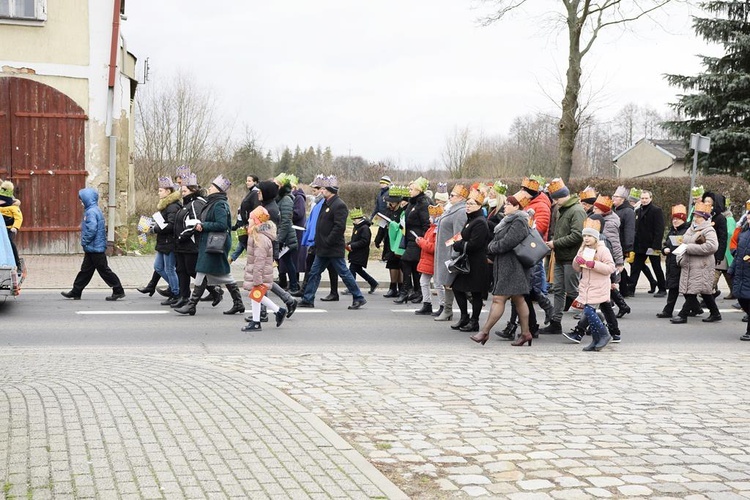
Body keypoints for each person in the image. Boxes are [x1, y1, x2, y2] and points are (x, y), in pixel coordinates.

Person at [469, 193, 534, 346]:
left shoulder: (519, 221)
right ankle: (525, 333)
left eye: (508, 204)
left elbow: (508, 242)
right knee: (519, 299)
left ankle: (484, 332)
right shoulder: (509, 220)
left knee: (499, 299)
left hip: (513, 266)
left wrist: (491, 247)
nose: (505, 206)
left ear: (517, 206)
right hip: (507, 265)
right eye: (505, 204)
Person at [175, 175, 245, 316]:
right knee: (207, 272)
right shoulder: (213, 202)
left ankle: (192, 305)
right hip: (209, 242)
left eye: (212, 186)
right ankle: (238, 303)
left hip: (215, 243)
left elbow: (222, 225)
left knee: (212, 272)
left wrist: (203, 225)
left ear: (218, 190)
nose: (209, 188)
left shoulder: (219, 204)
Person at [297, 175, 367, 310]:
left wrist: (328, 241)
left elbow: (339, 227)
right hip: (322, 248)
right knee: (314, 272)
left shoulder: (339, 205)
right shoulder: (325, 203)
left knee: (344, 273)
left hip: (333, 248)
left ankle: (358, 297)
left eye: (324, 189)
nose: (321, 191)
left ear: (330, 190)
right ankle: (308, 299)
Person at [538, 178, 586, 335]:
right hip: (560, 256)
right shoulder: (561, 209)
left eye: (557, 198)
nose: (555, 201)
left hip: (571, 258)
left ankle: (591, 320)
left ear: (565, 195)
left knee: (573, 290)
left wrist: (555, 243)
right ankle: (556, 322)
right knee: (558, 290)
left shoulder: (577, 211)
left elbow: (578, 235)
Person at [61, 188, 125, 301]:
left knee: (104, 270)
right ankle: (76, 291)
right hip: (94, 247)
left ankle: (118, 290)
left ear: (87, 199)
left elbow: (91, 229)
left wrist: (84, 241)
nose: (81, 202)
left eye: (82, 200)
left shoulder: (91, 212)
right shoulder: (94, 210)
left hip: (95, 248)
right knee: (85, 271)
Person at [670, 201, 722, 324]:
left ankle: (683, 315)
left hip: (702, 266)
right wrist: (680, 255)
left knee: (693, 291)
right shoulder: (691, 228)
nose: (695, 218)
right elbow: (684, 242)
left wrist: (689, 248)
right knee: (703, 291)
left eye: (698, 216)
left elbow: (712, 247)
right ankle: (715, 313)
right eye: (695, 215)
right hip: (689, 264)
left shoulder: (709, 230)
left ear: (704, 218)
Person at [448, 189, 489, 333]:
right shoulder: (471, 219)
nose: (468, 206)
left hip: (476, 263)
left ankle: (474, 321)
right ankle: (464, 316)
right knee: (457, 288)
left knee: (476, 292)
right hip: (467, 261)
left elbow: (474, 244)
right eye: (467, 203)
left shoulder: (480, 222)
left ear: (479, 206)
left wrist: (458, 245)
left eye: (471, 204)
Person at [292, 175, 339, 300]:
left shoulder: (324, 203)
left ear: (321, 189)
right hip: (316, 239)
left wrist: (313, 238)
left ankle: (310, 293)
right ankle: (307, 291)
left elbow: (319, 223)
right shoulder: (317, 203)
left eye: (315, 190)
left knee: (324, 268)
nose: (313, 193)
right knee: (320, 266)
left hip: (320, 240)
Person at [572, 219, 616, 351]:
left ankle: (603, 334)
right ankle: (596, 340)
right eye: (584, 236)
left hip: (599, 286)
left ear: (596, 237)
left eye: (589, 236)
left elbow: (610, 268)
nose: (586, 238)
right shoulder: (583, 249)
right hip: (586, 286)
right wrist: (577, 261)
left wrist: (594, 264)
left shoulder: (603, 250)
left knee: (589, 311)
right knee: (588, 312)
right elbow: (577, 268)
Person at [241, 206, 287, 331]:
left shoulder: (260, 238)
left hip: (259, 272)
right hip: (257, 271)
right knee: (254, 295)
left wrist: (257, 278)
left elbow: (260, 260)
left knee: (255, 294)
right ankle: (257, 321)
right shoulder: (256, 234)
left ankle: (278, 310)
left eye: (251, 219)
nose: (249, 221)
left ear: (257, 221)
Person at [433, 184, 468, 322]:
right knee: (448, 283)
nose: (450, 197)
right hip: (443, 251)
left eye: (452, 195)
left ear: (461, 198)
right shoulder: (451, 209)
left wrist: (453, 252)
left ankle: (449, 310)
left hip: (450, 252)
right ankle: (448, 310)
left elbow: (458, 234)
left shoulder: (460, 212)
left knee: (450, 283)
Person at [394, 177, 431, 305]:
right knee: (414, 266)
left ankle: (405, 291)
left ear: (418, 190)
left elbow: (426, 223)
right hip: (409, 237)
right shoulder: (412, 202)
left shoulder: (423, 203)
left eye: (411, 189)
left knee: (404, 262)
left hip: (417, 238)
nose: (409, 191)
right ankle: (417, 291)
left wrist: (423, 240)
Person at [150, 176, 182, 305]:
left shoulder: (172, 206)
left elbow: (171, 225)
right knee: (158, 267)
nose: (159, 193)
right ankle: (176, 289)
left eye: (160, 190)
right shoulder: (166, 206)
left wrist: (156, 229)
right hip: (164, 242)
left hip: (170, 242)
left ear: (168, 192)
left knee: (169, 269)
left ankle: (176, 292)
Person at [630, 190, 666, 297]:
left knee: (656, 267)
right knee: (636, 267)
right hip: (640, 245)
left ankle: (662, 289)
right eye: (642, 198)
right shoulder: (638, 210)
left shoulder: (656, 210)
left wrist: (656, 245)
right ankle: (631, 289)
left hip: (652, 245)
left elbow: (659, 229)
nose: (644, 200)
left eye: (646, 198)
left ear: (651, 198)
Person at [656, 204, 689, 319]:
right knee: (676, 287)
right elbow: (666, 244)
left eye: (678, 219)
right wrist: (664, 250)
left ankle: (668, 310)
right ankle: (696, 308)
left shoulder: (686, 231)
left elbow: (688, 246)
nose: (675, 221)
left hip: (681, 263)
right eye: (674, 219)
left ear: (683, 219)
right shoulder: (672, 231)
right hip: (671, 263)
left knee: (678, 288)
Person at [375, 186, 407, 298]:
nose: (390, 204)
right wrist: (378, 239)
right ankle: (393, 288)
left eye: (392, 202)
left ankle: (401, 287)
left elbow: (403, 227)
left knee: (399, 265)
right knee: (391, 264)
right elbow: (382, 226)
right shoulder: (387, 211)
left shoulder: (402, 212)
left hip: (399, 242)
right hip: (389, 241)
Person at [274, 173, 300, 293]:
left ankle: (294, 286)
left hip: (287, 238)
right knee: (287, 262)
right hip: (284, 236)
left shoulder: (286, 199)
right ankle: (293, 285)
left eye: (276, 184)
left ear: (281, 186)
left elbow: (285, 222)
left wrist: (279, 239)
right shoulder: (280, 198)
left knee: (289, 263)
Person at [414, 204, 441, 315]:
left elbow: (433, 247)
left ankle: (443, 305)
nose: (429, 218)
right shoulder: (431, 228)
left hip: (433, 260)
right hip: (428, 260)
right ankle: (427, 304)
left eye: (431, 216)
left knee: (438, 284)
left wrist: (421, 242)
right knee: (424, 282)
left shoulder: (436, 230)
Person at [728, 209, 750, 341]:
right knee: (742, 299)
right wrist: (731, 269)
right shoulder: (744, 233)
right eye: (748, 216)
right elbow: (738, 254)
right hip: (742, 271)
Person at [346, 208, 379, 295]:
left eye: (354, 220)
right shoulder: (357, 227)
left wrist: (352, 245)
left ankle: (351, 287)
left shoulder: (364, 228)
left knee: (352, 269)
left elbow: (364, 241)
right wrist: (348, 244)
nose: (353, 221)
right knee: (358, 270)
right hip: (355, 252)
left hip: (361, 253)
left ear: (358, 219)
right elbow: (355, 239)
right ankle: (373, 283)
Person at [229, 174, 259, 263]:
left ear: (255, 182)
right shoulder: (250, 192)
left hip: (248, 225)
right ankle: (231, 259)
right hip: (242, 224)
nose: (247, 182)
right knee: (242, 242)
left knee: (244, 242)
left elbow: (254, 209)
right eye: (247, 180)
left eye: (249, 181)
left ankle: (254, 262)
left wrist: (249, 222)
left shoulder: (255, 193)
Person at [612, 185, 636, 297]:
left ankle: (624, 289)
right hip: (615, 243)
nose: (613, 198)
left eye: (616, 197)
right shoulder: (615, 210)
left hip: (621, 244)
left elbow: (629, 230)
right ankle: (625, 288)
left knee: (618, 267)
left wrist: (628, 246)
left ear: (622, 199)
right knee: (618, 267)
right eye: (613, 196)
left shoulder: (628, 212)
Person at [0, 181, 22, 268]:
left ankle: (17, 263)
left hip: (9, 228)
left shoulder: (13, 207)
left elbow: (18, 218)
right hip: (1, 229)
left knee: (9, 242)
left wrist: (15, 227)